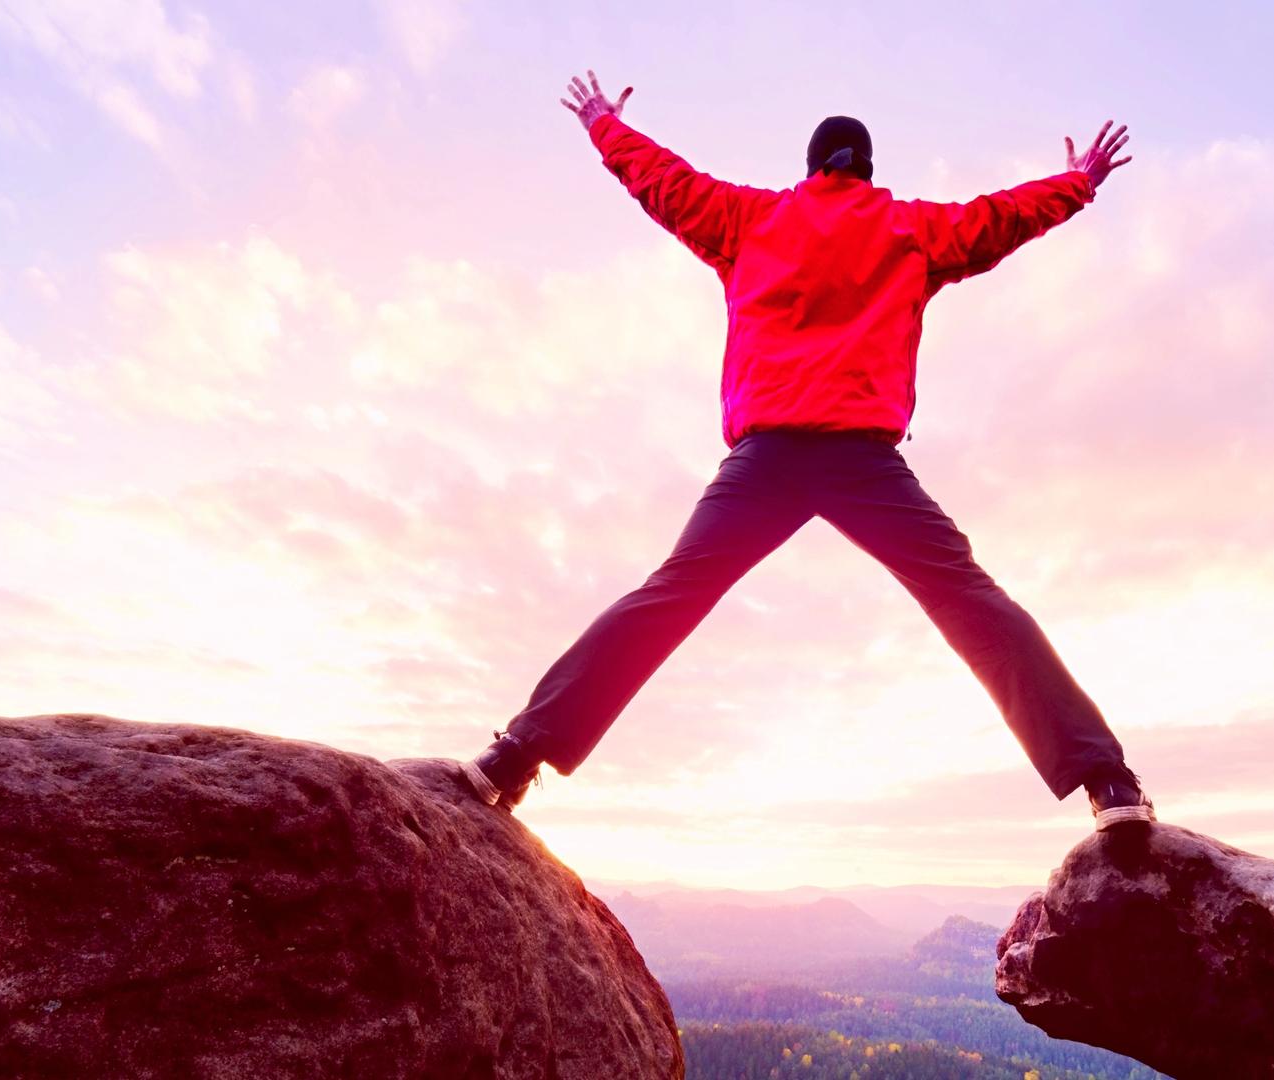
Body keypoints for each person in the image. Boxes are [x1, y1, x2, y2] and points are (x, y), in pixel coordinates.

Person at [456, 69, 1152, 832]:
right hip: (863, 459)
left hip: (767, 457)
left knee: (670, 596)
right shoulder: (910, 229)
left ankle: (514, 757)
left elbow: (664, 181)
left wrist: (602, 125)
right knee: (970, 601)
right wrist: (1078, 182)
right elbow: (1001, 218)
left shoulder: (751, 218)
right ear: (868, 168)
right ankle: (1107, 784)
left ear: (812, 166)